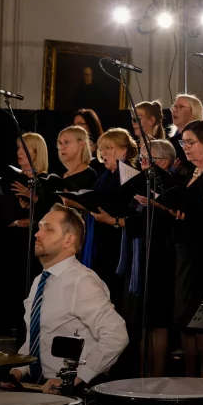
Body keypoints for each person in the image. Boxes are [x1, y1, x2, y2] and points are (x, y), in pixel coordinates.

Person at [12, 205, 128, 390]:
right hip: (40, 388)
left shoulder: (82, 281)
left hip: (71, 392)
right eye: (39, 228)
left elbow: (116, 335)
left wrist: (76, 378)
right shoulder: (40, 281)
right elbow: (38, 338)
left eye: (48, 229)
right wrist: (17, 371)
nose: (38, 234)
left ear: (68, 240)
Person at [167, 120, 203, 378]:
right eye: (184, 142)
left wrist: (186, 211)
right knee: (183, 316)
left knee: (201, 318)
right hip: (184, 250)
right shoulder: (188, 173)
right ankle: (189, 377)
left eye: (191, 142)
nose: (186, 147)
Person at [117, 138, 178, 376]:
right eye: (141, 158)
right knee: (143, 324)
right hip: (139, 260)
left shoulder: (169, 185)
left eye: (148, 159)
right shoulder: (140, 184)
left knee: (158, 323)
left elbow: (165, 222)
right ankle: (143, 377)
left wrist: (155, 205)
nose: (142, 163)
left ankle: (158, 377)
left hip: (160, 260)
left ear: (164, 161)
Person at [79, 128, 138, 305]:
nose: (103, 153)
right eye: (102, 149)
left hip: (116, 242)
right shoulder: (107, 174)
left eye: (108, 148)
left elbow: (125, 208)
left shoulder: (129, 175)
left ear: (124, 150)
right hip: (101, 238)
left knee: (112, 293)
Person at [55, 126, 99, 190]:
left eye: (66, 142)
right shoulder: (60, 172)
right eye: (60, 143)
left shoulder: (89, 175)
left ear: (81, 145)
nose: (61, 147)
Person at [73, 109, 106, 174]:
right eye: (74, 124)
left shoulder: (102, 146)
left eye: (80, 124)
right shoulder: (72, 145)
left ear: (91, 125)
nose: (75, 128)